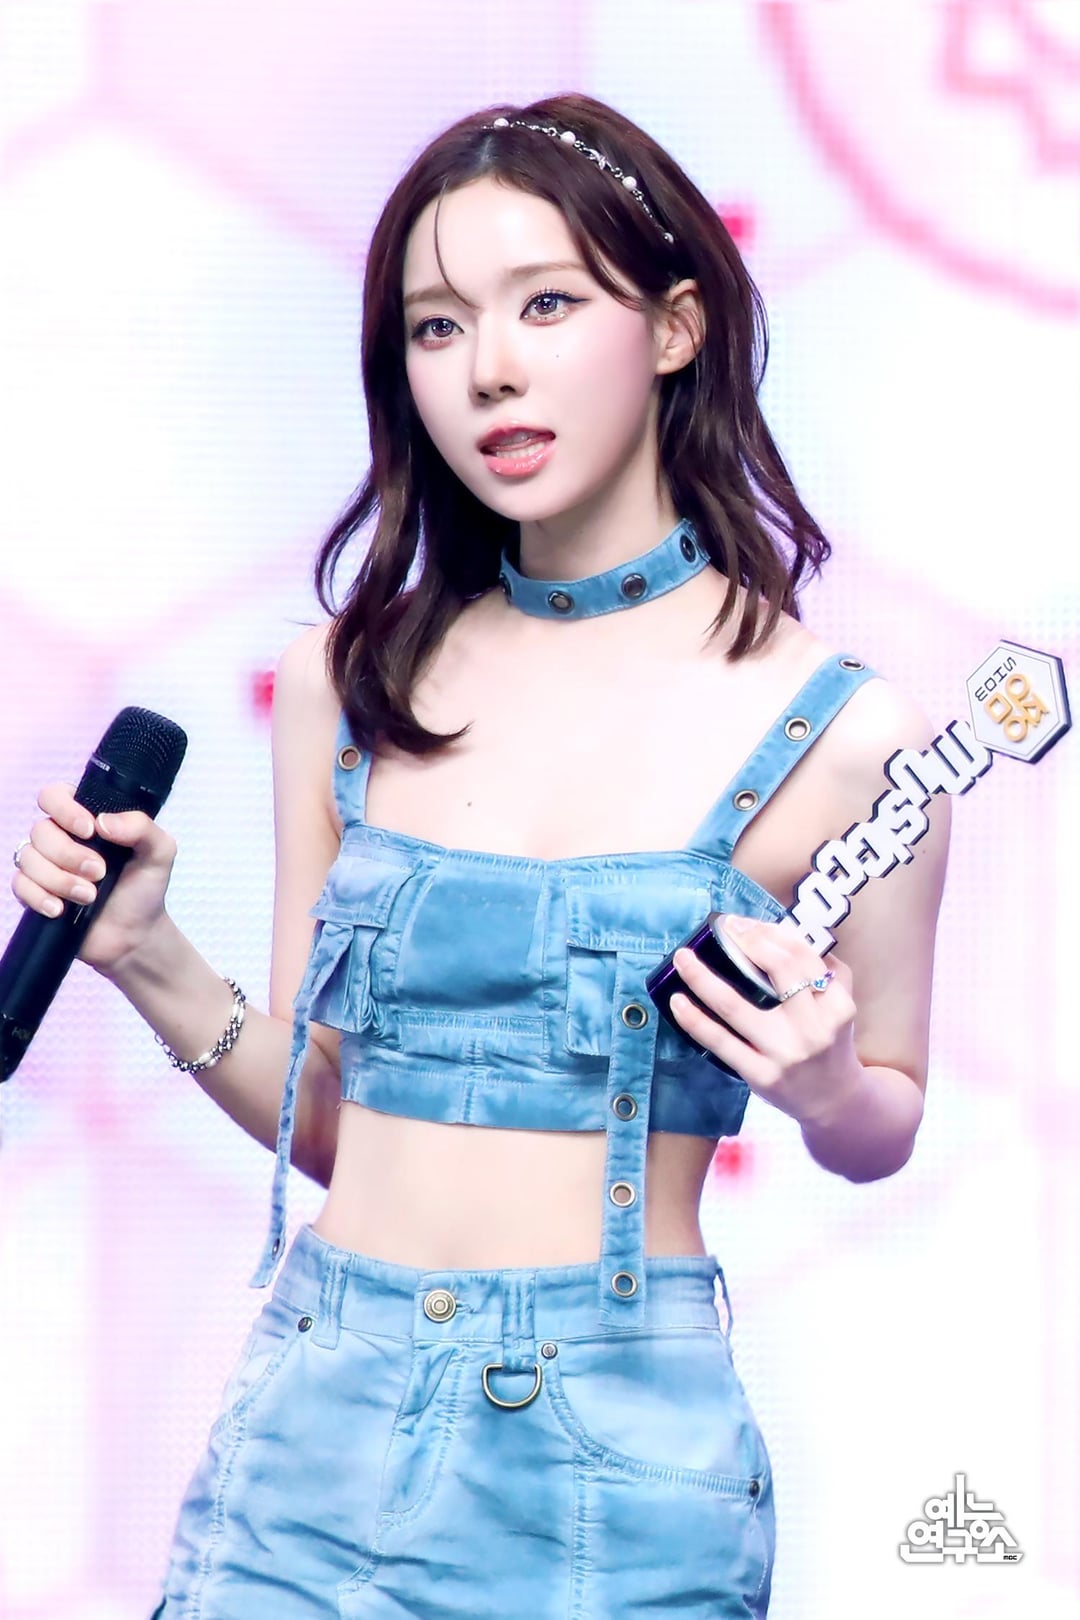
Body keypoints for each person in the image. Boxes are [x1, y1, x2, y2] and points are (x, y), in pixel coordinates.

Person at [11, 92, 949, 1617]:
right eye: (436, 328)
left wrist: (828, 1083)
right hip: (317, 1420)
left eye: (547, 304)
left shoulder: (845, 735)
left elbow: (884, 1117)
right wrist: (145, 958)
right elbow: (332, 1119)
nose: (490, 369)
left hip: (609, 1459)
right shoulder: (347, 681)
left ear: (676, 327)